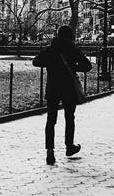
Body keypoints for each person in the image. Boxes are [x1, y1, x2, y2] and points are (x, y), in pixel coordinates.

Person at [32, 25, 92, 165]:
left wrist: (50, 64)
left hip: (53, 87)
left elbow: (36, 61)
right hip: (68, 88)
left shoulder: (51, 49)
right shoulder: (73, 49)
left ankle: (50, 151)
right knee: (69, 118)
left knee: (51, 120)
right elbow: (87, 66)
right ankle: (69, 146)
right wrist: (73, 67)